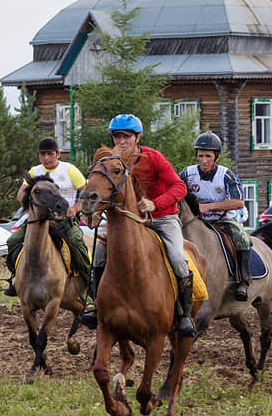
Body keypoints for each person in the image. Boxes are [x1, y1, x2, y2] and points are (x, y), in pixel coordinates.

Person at [79, 114, 195, 337]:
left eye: (127, 137)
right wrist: (93, 214)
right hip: (127, 222)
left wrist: (155, 203)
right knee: (100, 255)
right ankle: (98, 307)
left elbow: (180, 187)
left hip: (162, 218)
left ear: (138, 137)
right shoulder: (108, 162)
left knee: (179, 259)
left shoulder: (154, 158)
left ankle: (183, 314)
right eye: (117, 137)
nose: (122, 142)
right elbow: (103, 193)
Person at [1, 136, 89, 297]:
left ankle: (90, 284)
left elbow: (86, 193)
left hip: (63, 222)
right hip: (38, 221)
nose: (46, 158)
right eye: (42, 154)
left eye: (50, 154)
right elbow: (21, 194)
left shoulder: (69, 170)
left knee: (77, 243)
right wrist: (28, 203)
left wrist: (76, 208)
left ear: (58, 154)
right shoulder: (35, 172)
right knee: (12, 241)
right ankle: (15, 280)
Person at [179, 131, 252, 300]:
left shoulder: (226, 175)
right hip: (197, 221)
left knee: (242, 239)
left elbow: (239, 202)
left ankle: (243, 281)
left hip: (224, 220)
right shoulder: (187, 174)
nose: (204, 160)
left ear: (216, 157)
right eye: (201, 156)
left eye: (208, 156)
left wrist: (209, 207)